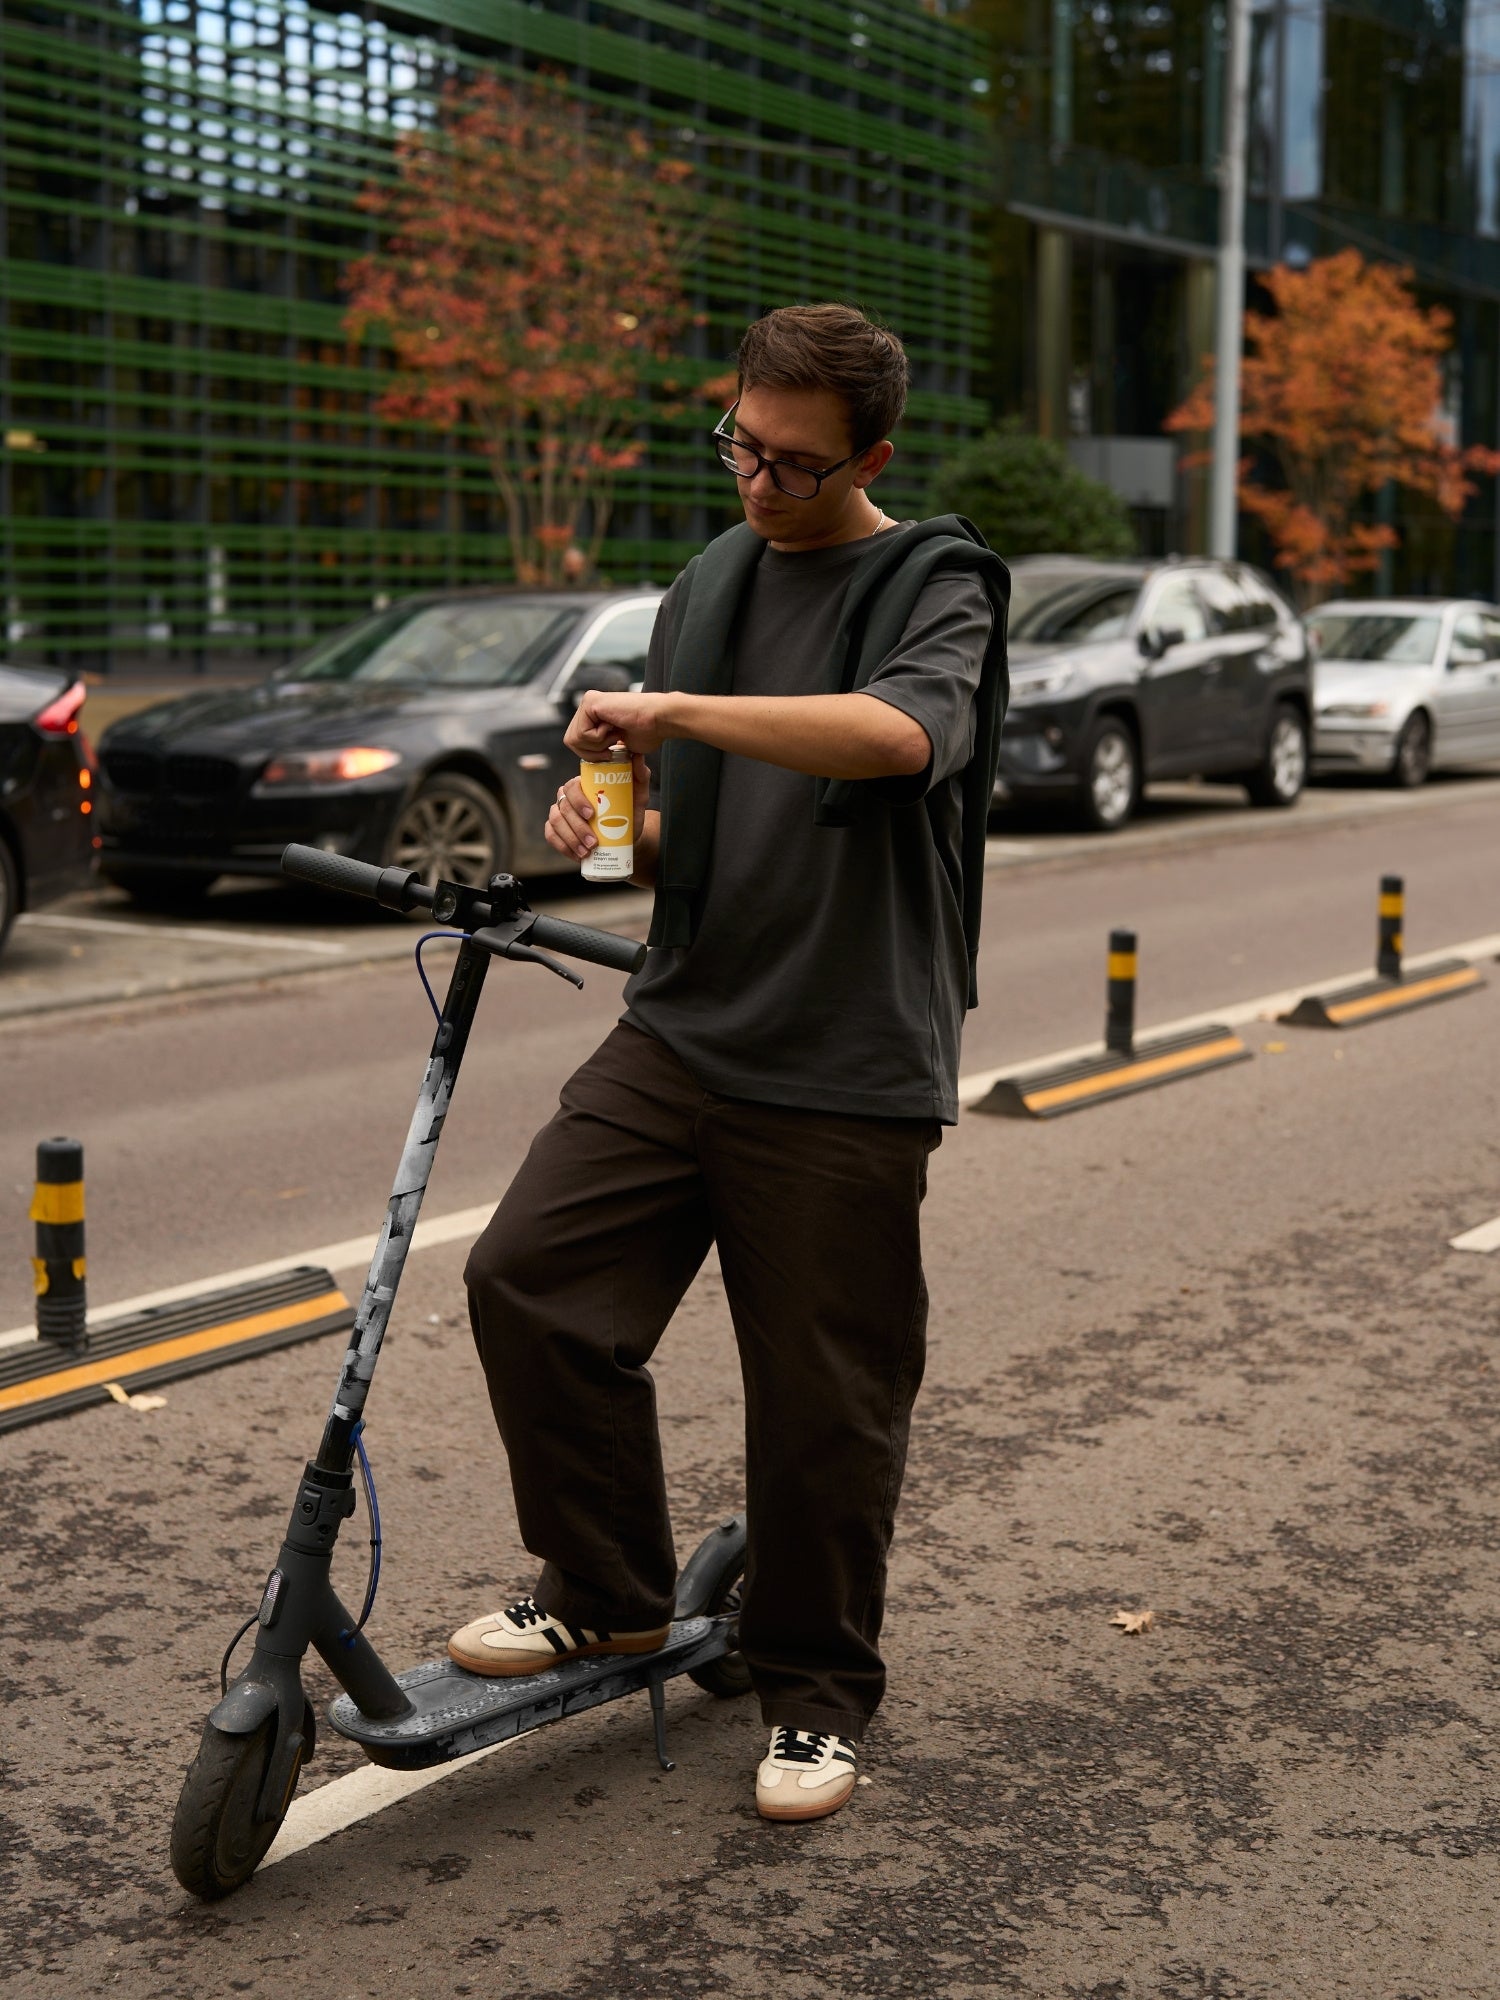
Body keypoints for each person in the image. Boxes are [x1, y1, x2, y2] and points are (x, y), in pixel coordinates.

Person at [449, 303, 1009, 1823]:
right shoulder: (706, 581)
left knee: (824, 1394)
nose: (757, 484)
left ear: (869, 457)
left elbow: (897, 739)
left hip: (842, 1057)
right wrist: (592, 814)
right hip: (685, 1017)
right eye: (740, 446)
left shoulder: (931, 579)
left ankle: (818, 1692)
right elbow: (653, 789)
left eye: (795, 465)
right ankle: (613, 1588)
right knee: (527, 1279)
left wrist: (675, 708)